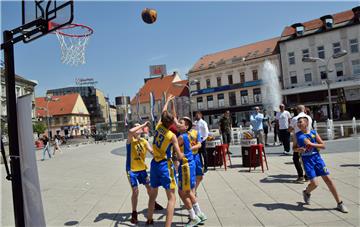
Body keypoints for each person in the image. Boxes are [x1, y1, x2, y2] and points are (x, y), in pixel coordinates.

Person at [295, 116, 349, 213]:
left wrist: (312, 144)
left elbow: (323, 145)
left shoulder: (313, 133)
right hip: (307, 160)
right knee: (315, 184)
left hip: (317, 159)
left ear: (306, 124)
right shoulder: (297, 135)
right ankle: (306, 192)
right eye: (298, 122)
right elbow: (294, 148)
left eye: (300, 122)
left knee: (328, 180)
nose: (298, 124)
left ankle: (340, 203)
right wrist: (298, 149)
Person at [146, 94, 184, 227]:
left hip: (154, 165)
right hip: (165, 166)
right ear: (172, 123)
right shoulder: (171, 136)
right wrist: (184, 154)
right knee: (171, 198)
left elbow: (163, 112)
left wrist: (167, 101)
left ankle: (149, 220)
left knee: (153, 195)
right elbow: (179, 156)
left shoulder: (158, 127)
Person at [126, 121, 163, 224]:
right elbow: (130, 131)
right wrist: (143, 125)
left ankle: (153, 203)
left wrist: (160, 154)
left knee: (149, 187)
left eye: (140, 127)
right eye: (136, 127)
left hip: (142, 169)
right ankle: (134, 213)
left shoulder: (144, 141)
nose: (139, 129)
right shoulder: (130, 140)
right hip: (131, 170)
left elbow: (152, 152)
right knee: (135, 191)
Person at [177, 117, 207, 226]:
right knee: (189, 191)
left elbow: (173, 150)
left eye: (181, 123)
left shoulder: (182, 137)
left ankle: (193, 216)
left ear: (186, 126)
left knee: (182, 192)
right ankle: (199, 214)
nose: (178, 124)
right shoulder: (188, 135)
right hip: (189, 163)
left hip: (185, 165)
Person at [289, 105, 312, 183]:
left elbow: (290, 129)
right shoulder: (309, 118)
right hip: (308, 139)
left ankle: (300, 176)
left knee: (296, 159)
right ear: (304, 109)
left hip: (299, 140)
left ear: (297, 110)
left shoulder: (295, 119)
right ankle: (307, 175)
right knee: (306, 158)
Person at [188, 127, 203, 194]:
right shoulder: (183, 134)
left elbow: (199, 144)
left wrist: (192, 148)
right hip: (188, 157)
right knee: (191, 177)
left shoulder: (196, 132)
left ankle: (194, 191)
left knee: (200, 176)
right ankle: (192, 193)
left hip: (196, 156)